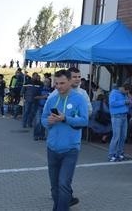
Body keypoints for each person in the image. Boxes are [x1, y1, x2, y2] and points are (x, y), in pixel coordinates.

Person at [41, 69, 88, 210]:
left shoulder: (79, 99)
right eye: (56, 83)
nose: (58, 86)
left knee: (63, 184)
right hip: (52, 148)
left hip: (70, 149)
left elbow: (84, 121)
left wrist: (66, 118)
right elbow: (43, 119)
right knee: (54, 187)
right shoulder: (52, 100)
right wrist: (49, 121)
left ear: (69, 82)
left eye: (62, 83)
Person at [108, 83, 130, 162]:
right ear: (122, 88)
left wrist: (127, 103)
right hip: (116, 116)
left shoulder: (124, 94)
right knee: (116, 136)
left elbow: (126, 102)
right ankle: (111, 155)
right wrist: (124, 102)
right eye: (126, 91)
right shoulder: (114, 93)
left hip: (124, 116)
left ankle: (120, 153)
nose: (126, 92)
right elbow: (112, 103)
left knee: (123, 136)